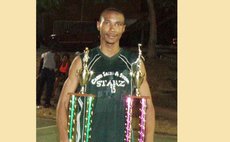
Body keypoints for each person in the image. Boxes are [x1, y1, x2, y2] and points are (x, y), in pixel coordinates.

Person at [56, 7, 155, 142]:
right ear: (99, 25)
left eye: (117, 24)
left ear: (123, 28)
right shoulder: (83, 61)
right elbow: (63, 104)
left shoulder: (134, 62)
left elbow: (148, 107)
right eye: (107, 23)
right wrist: (63, 138)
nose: (112, 29)